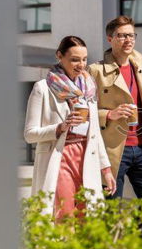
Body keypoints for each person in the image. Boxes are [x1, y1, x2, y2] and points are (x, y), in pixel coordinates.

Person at [24, 36, 116, 220]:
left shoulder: (89, 88)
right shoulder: (42, 88)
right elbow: (29, 135)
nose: (81, 65)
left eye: (84, 59)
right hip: (59, 158)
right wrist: (60, 127)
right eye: (75, 59)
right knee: (64, 216)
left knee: (86, 216)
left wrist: (106, 169)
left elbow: (95, 134)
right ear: (59, 56)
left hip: (86, 158)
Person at [88, 16, 142, 231]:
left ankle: (132, 243)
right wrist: (109, 114)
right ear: (110, 39)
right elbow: (84, 111)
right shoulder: (95, 71)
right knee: (111, 207)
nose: (128, 40)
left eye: (131, 35)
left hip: (141, 148)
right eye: (122, 35)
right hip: (112, 148)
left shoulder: (139, 68)